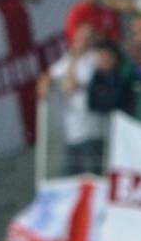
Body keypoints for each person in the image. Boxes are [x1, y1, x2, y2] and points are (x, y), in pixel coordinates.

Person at [38, 23, 102, 175]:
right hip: (72, 129)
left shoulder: (95, 58)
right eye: (80, 38)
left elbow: (72, 84)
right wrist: (45, 84)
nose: (83, 42)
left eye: (87, 38)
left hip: (92, 127)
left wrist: (73, 63)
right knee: (70, 174)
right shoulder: (67, 59)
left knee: (92, 173)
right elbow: (49, 75)